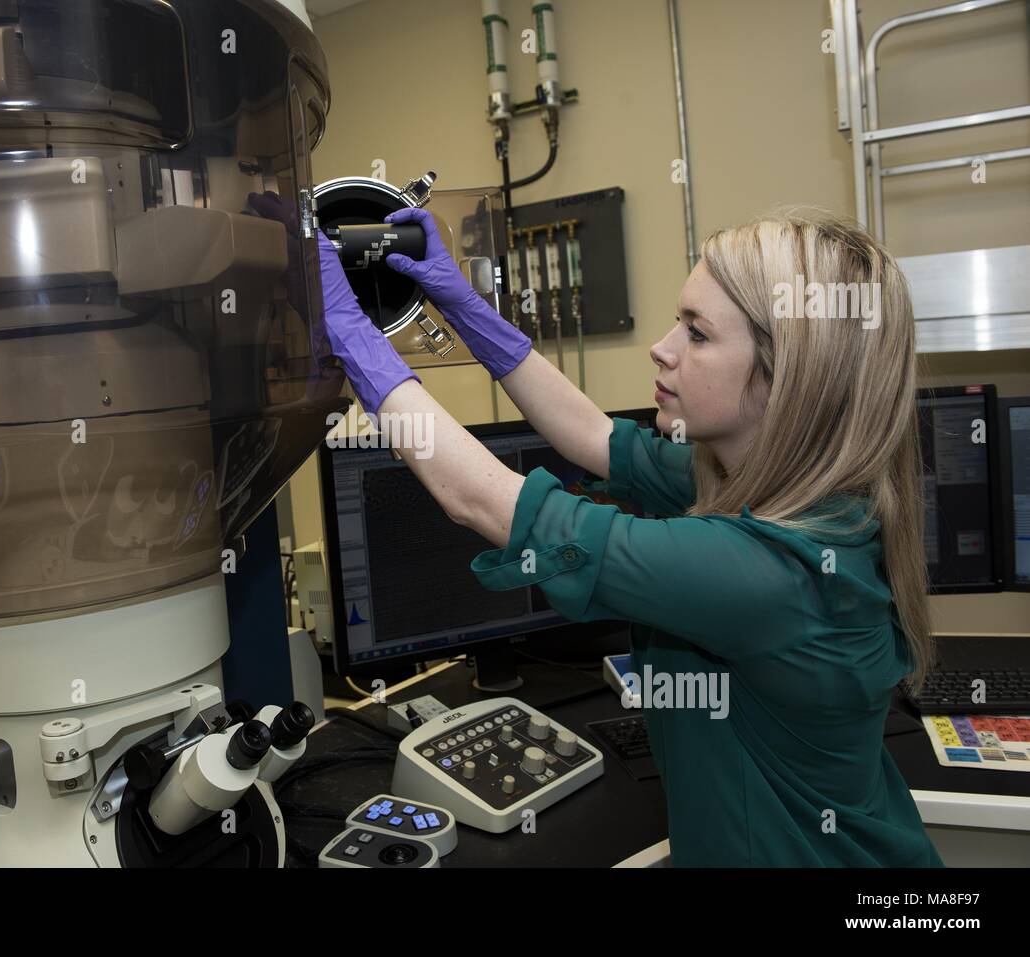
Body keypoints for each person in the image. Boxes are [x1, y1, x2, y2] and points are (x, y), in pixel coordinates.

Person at [315, 204, 943, 867]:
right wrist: (459, 302)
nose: (662, 346)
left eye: (697, 334)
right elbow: (591, 434)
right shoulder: (784, 491)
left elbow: (481, 499)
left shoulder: (771, 572)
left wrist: (353, 335)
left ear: (784, 378)